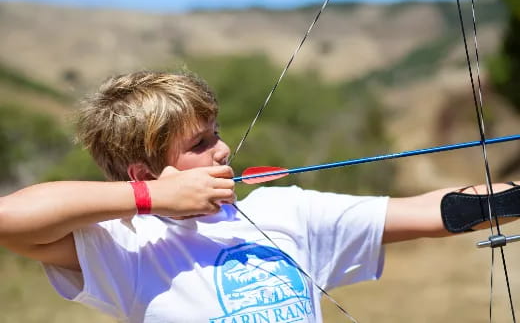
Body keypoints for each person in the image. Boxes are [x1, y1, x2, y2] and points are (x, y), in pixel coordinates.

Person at [0, 71, 516, 323]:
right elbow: (10, 218)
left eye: (216, 133)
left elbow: (431, 211)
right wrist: (151, 200)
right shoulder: (125, 245)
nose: (223, 149)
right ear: (145, 172)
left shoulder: (279, 209)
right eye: (200, 144)